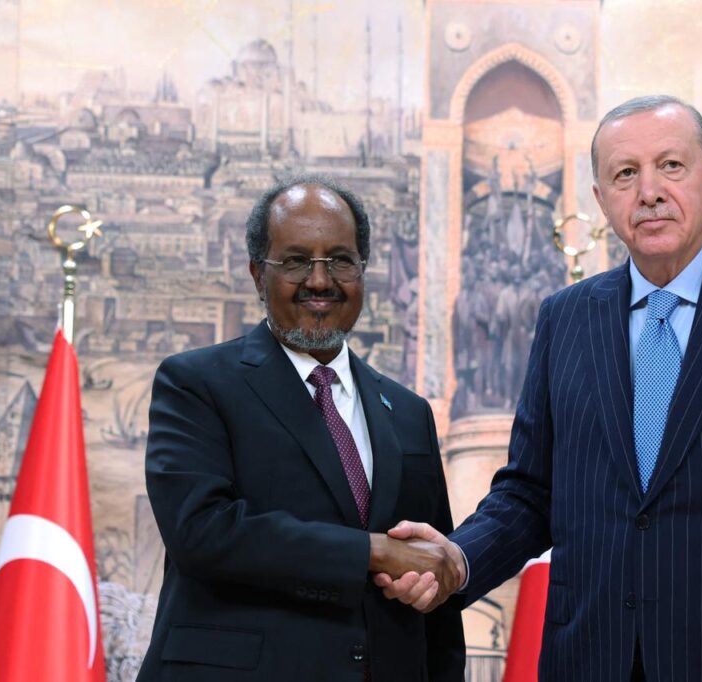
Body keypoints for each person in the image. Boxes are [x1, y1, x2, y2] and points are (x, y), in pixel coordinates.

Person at [377, 96, 702, 681]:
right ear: (600, 198)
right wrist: (457, 559)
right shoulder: (565, 318)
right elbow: (530, 493)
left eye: (672, 166)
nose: (649, 191)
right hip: (593, 660)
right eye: (625, 173)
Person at [138, 176, 464, 682]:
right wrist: (372, 551)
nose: (319, 280)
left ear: (362, 272)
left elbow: (433, 591)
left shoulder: (408, 411)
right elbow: (201, 532)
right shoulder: (196, 383)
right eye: (294, 261)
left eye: (340, 260)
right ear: (256, 275)